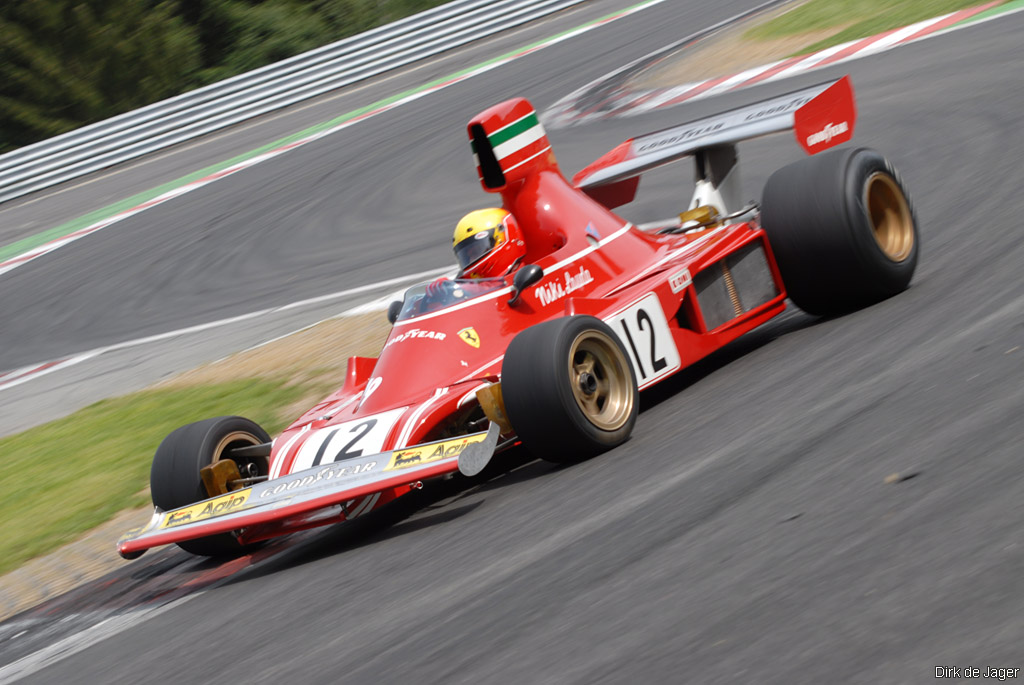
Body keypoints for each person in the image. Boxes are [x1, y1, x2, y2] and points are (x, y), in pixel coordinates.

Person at [422, 208, 526, 302]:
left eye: (477, 250)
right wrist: (432, 297)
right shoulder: (467, 283)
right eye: (466, 256)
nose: (471, 259)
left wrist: (461, 289)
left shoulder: (524, 276)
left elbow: (496, 287)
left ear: (504, 239)